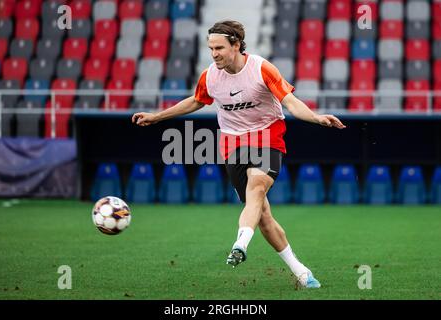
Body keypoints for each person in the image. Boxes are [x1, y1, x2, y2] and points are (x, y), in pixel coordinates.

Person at [132, 20, 346, 289]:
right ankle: (302, 272)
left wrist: (316, 118)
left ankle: (240, 244)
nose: (214, 53)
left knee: (257, 188)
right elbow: (197, 100)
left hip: (268, 136)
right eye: (210, 48)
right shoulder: (210, 75)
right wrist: (157, 117)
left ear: (236, 45)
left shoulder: (261, 69)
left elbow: (290, 102)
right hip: (232, 145)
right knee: (263, 216)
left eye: (219, 47)